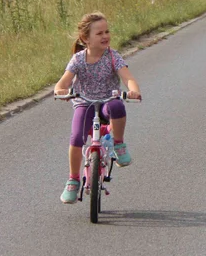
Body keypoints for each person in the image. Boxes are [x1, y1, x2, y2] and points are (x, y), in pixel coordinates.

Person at [54, 12, 142, 204]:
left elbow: (127, 78)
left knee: (117, 105)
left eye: (107, 31)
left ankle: (118, 144)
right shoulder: (78, 60)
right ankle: (73, 180)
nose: (105, 36)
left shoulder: (113, 57)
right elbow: (62, 83)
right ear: (86, 39)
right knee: (77, 137)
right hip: (84, 103)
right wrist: (61, 91)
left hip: (106, 102)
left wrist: (133, 90)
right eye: (99, 33)